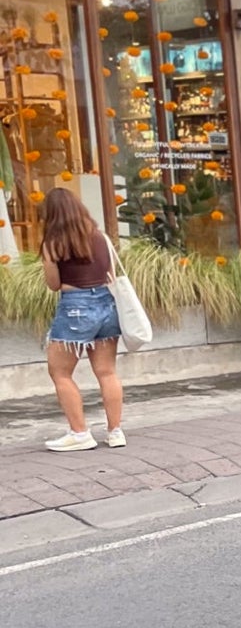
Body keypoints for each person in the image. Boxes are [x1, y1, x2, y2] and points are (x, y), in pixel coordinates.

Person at [37, 187, 125, 452]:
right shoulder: (100, 237)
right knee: (107, 372)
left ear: (51, 214)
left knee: (60, 372)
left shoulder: (53, 243)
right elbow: (109, 273)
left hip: (75, 307)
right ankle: (115, 431)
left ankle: (80, 433)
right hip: (107, 306)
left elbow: (54, 284)